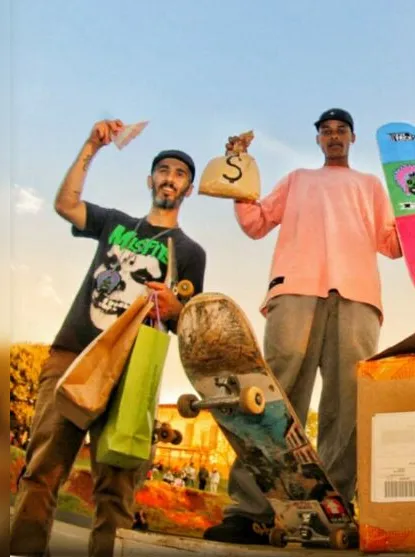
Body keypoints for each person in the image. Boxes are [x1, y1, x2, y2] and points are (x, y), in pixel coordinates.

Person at [203, 108, 415, 545]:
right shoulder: (299, 179)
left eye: (341, 131)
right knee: (273, 392)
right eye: (326, 131)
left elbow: (394, 246)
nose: (334, 137)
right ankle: (253, 509)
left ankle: (334, 508)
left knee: (349, 401)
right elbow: (256, 222)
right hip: (296, 288)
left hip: (356, 296)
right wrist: (239, 177)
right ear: (318, 139)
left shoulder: (371, 186)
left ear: (352, 139)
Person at [10, 119, 207, 557]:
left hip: (131, 373)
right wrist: (90, 147)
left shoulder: (191, 252)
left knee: (116, 490)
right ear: (150, 179)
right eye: (164, 170)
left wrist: (175, 308)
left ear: (188, 189)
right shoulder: (115, 223)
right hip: (75, 355)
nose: (170, 178)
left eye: (179, 174)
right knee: (42, 471)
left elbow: (186, 322)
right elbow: (66, 204)